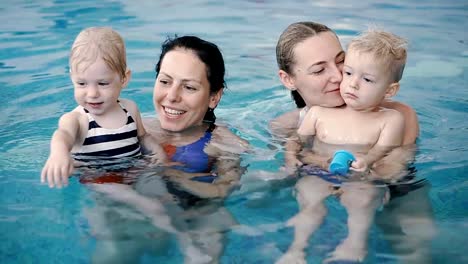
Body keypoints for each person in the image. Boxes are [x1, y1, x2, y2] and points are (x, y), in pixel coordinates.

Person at [271, 22, 429, 263]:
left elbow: (393, 170)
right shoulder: (288, 125)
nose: (338, 77)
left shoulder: (398, 116)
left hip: (389, 188)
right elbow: (293, 156)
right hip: (322, 180)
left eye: (341, 61)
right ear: (288, 79)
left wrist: (361, 171)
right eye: (318, 70)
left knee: (415, 243)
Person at [89, 35, 249, 263]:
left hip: (195, 215)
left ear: (214, 97)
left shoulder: (225, 143)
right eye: (165, 82)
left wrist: (171, 175)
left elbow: (223, 191)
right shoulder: (129, 127)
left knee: (213, 232)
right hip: (132, 213)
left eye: (189, 87)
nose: (172, 96)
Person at [40, 27, 165, 188]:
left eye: (103, 83)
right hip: (98, 179)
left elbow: (143, 137)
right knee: (147, 206)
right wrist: (58, 154)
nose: (92, 93)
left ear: (124, 79)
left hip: (134, 171)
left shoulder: (130, 109)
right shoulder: (78, 119)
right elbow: (62, 135)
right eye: (81, 83)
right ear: (72, 77)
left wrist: (157, 151)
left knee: (164, 195)